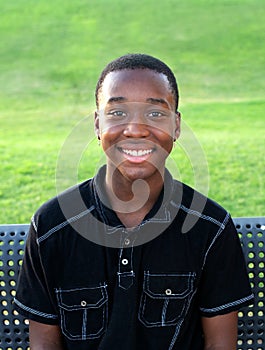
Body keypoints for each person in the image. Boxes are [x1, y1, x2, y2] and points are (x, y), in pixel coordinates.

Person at [14, 53, 253, 350]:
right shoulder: (52, 226)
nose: (136, 129)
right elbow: (44, 345)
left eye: (155, 114)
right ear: (97, 124)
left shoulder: (209, 228)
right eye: (117, 113)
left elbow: (220, 345)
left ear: (176, 126)